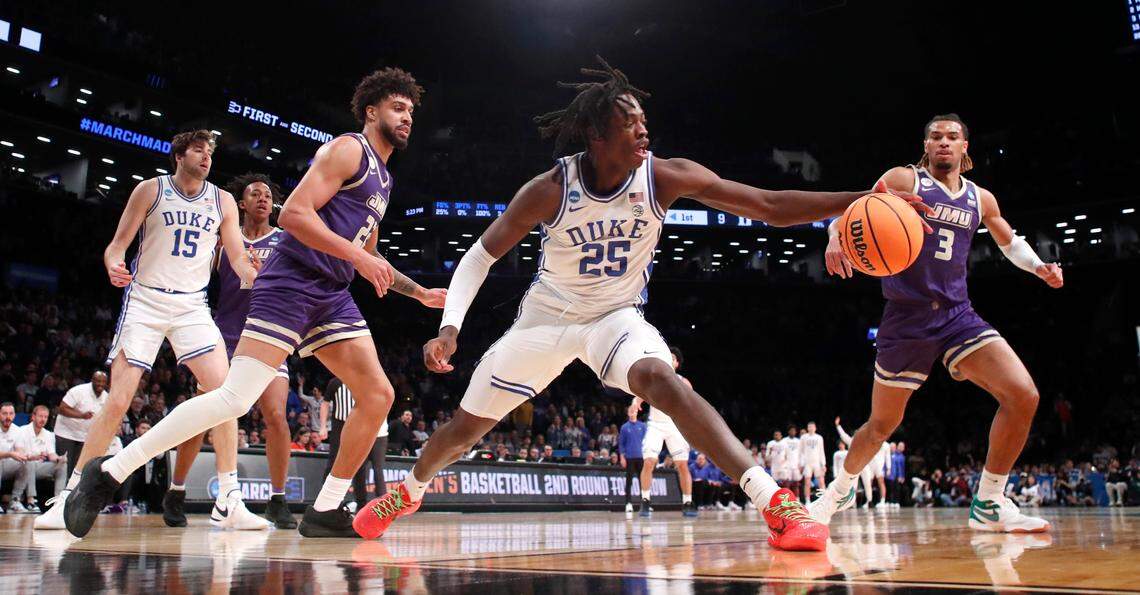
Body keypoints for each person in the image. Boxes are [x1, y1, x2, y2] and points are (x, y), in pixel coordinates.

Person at [357, 58, 928, 551]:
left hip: (615, 318)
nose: (643, 131)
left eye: (643, 121)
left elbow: (769, 204)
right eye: (629, 123)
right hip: (546, 320)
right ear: (597, 138)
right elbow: (479, 257)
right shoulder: (551, 189)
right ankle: (407, 492)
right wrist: (451, 328)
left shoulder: (665, 176)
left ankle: (775, 504)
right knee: (463, 428)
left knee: (664, 379)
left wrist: (866, 198)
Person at [65, 68, 445, 539]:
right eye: (398, 108)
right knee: (233, 398)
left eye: (411, 111)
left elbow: (369, 256)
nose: (407, 117)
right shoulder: (349, 149)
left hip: (330, 293)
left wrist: (419, 293)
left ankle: (325, 510)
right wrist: (357, 261)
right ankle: (109, 472)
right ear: (372, 111)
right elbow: (294, 214)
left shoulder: (384, 179)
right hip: (290, 283)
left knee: (378, 396)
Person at [810, 114, 1062, 534]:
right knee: (880, 427)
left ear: (966, 147)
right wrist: (835, 235)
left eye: (952, 137)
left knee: (1023, 394)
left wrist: (1039, 268)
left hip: (957, 315)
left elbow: (1009, 241)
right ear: (925, 146)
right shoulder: (904, 180)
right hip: (906, 318)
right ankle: (839, 490)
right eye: (935, 136)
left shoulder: (981, 199)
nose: (943, 142)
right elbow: (854, 213)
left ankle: (990, 502)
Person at [40, 130, 267, 532]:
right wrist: (113, 264)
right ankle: (72, 493)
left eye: (210, 152)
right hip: (145, 300)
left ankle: (228, 499)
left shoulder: (223, 200)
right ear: (178, 155)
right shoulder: (150, 190)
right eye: (198, 150)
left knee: (226, 394)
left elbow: (236, 255)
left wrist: (253, 273)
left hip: (192, 305)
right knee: (119, 399)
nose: (206, 157)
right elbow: (117, 245)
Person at [211, 172, 296, 529]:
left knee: (275, 416)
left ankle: (278, 500)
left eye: (267, 194)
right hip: (223, 336)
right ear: (241, 203)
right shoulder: (223, 241)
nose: (263, 198)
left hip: (267, 334)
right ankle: (179, 491)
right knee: (210, 416)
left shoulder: (286, 241)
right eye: (254, 194)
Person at [632, 347, 696, 518]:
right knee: (649, 462)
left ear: (677, 363)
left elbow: (692, 405)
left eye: (673, 358)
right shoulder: (656, 379)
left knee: (682, 465)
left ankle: (688, 502)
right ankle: (645, 500)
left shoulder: (684, 382)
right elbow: (641, 394)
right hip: (655, 425)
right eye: (668, 357)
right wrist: (634, 402)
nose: (670, 360)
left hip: (675, 425)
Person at [320, 377, 389, 511]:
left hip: (370, 430)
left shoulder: (371, 381)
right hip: (341, 426)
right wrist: (323, 426)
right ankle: (329, 502)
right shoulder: (336, 382)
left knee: (376, 469)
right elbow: (325, 403)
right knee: (341, 464)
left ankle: (382, 506)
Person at [11, 406, 67, 512]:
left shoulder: (48, 434)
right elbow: (20, 453)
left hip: (39, 467)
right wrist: (33, 456)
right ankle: (31, 501)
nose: (43, 419)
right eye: (41, 416)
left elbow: (51, 455)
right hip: (24, 465)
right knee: (29, 462)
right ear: (33, 416)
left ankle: (58, 502)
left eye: (46, 417)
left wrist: (59, 459)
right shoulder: (22, 431)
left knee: (62, 465)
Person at [53, 371, 109, 477]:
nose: (100, 384)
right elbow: (62, 409)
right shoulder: (78, 391)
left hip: (85, 437)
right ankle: (59, 491)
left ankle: (71, 492)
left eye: (103, 382)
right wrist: (81, 415)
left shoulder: (106, 397)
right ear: (92, 380)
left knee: (78, 469)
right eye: (98, 381)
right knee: (64, 468)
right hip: (66, 433)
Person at [618, 404, 647, 514]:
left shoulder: (642, 426)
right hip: (629, 457)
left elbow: (646, 442)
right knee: (629, 481)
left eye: (634, 410)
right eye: (630, 410)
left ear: (637, 412)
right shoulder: (624, 427)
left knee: (643, 481)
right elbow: (621, 444)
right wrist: (622, 457)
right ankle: (628, 503)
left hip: (641, 457)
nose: (632, 412)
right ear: (628, 413)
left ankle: (644, 504)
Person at [1, 403, 29, 505]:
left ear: (14, 415)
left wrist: (26, 456)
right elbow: (12, 454)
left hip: (7, 466)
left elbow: (19, 451)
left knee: (25, 463)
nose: (8, 417)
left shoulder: (17, 430)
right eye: (4, 413)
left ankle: (15, 501)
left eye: (11, 413)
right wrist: (10, 454)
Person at [798, 422, 826, 505]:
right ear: (807, 428)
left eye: (812, 427)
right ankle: (807, 500)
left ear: (815, 428)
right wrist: (801, 464)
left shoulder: (819, 438)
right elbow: (801, 452)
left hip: (817, 462)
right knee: (807, 482)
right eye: (809, 427)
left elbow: (821, 451)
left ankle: (823, 499)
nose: (811, 428)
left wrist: (823, 464)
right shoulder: (804, 437)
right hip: (807, 463)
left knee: (821, 481)